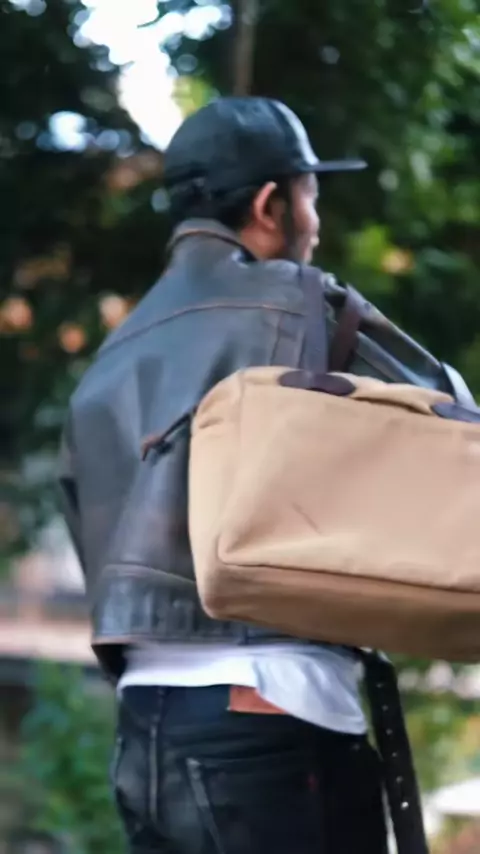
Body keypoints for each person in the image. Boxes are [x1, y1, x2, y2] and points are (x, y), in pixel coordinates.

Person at [59, 97, 389, 854]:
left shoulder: (113, 352)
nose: (316, 222)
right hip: (270, 710)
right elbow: (452, 423)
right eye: (311, 196)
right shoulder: (301, 306)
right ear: (271, 204)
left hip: (146, 727)